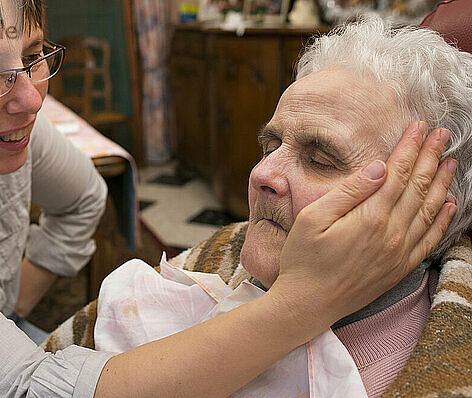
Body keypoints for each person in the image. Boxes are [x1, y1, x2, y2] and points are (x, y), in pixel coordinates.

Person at [0, 0, 457, 396]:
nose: (29, 99)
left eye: (32, 58)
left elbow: (81, 200)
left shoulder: (5, 119)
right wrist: (303, 303)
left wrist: (5, 307)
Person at [51, 17, 472, 398]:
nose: (261, 174)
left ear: (428, 202)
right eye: (271, 146)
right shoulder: (221, 254)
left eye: (320, 160)